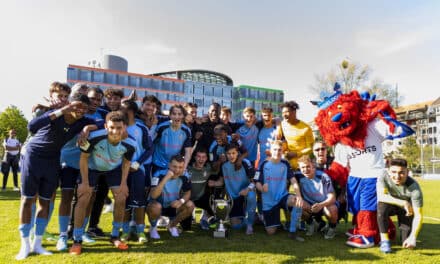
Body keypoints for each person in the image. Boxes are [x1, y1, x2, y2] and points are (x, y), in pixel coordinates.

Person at [16, 94, 93, 260]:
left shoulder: (82, 121)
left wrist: (87, 129)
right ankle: (25, 244)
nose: (80, 111)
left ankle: (37, 243)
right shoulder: (54, 114)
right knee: (27, 200)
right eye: (77, 106)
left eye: (83, 108)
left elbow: (102, 122)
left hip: (53, 161)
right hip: (33, 157)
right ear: (69, 104)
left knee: (45, 201)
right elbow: (32, 125)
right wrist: (61, 110)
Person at [69, 111, 136, 255]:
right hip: (92, 168)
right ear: (105, 126)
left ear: (124, 127)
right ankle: (77, 239)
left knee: (121, 197)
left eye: (119, 128)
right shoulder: (94, 138)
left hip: (113, 169)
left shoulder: (131, 143)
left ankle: (114, 236)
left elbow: (126, 163)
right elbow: (83, 158)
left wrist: (124, 183)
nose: (115, 131)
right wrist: (85, 183)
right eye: (112, 127)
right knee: (83, 197)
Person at [255, 140, 304, 241]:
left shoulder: (285, 163)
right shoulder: (264, 164)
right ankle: (272, 221)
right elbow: (257, 182)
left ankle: (292, 231)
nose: (277, 152)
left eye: (279, 150)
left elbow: (293, 180)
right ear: (270, 151)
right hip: (269, 201)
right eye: (275, 149)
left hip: (282, 196)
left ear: (282, 151)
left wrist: (298, 195)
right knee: (271, 232)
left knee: (296, 202)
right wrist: (262, 188)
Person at [120, 100, 153, 243]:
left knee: (139, 202)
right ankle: (125, 231)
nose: (121, 112)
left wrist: (138, 163)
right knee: (124, 201)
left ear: (132, 112)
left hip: (138, 169)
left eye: (124, 110)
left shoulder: (141, 127)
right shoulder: (118, 126)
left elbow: (149, 148)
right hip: (121, 170)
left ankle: (140, 232)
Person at [376, 158, 423, 253]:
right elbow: (381, 196)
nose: (397, 176)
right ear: (388, 171)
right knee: (381, 206)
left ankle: (406, 235)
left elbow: (418, 215)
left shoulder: (415, 189)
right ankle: (385, 240)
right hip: (391, 204)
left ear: (407, 172)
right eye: (393, 172)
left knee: (406, 241)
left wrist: (413, 237)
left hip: (406, 210)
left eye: (401, 172)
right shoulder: (383, 175)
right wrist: (403, 202)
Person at [147, 155, 195, 239]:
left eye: (180, 167)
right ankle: (153, 227)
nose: (177, 170)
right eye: (174, 166)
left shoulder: (185, 175)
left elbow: (188, 192)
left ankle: (172, 226)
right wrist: (166, 178)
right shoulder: (159, 173)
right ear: (169, 165)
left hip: (173, 205)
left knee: (190, 205)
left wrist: (181, 201)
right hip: (158, 205)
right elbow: (153, 195)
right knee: (155, 207)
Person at [294, 156, 338, 239]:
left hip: (324, 204)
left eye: (308, 166)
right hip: (309, 204)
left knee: (332, 209)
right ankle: (311, 224)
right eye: (303, 167)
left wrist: (321, 205)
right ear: (299, 168)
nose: (305, 169)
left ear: (313, 166)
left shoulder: (323, 176)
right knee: (297, 204)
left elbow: (332, 197)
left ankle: (332, 228)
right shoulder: (298, 175)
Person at [218, 143, 256, 235]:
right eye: (229, 154)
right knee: (235, 226)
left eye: (233, 153)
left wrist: (247, 189)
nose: (231, 156)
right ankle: (249, 218)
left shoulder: (245, 163)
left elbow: (254, 182)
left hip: (245, 193)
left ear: (238, 153)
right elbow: (221, 182)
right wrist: (213, 183)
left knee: (251, 196)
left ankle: (250, 225)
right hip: (234, 197)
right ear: (225, 154)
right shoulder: (224, 166)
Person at [182, 148, 217, 230]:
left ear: (206, 158)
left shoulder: (208, 168)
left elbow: (218, 172)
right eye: (199, 156)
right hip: (187, 199)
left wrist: (216, 183)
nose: (201, 159)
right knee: (186, 228)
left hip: (200, 198)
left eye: (203, 157)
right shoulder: (187, 168)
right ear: (194, 157)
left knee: (209, 199)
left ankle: (206, 219)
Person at [312, 141, 347, 223]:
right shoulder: (310, 165)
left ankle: (333, 224)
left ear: (326, 150)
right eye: (317, 150)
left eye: (322, 149)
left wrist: (343, 194)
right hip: (316, 196)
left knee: (336, 208)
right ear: (313, 152)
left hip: (335, 195)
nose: (320, 151)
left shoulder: (335, 163)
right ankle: (318, 222)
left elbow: (345, 179)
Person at [152, 104, 192, 172]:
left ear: (183, 116)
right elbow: (151, 142)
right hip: (159, 164)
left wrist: (184, 167)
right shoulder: (161, 127)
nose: (177, 116)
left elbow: (188, 151)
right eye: (174, 114)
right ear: (170, 116)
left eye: (179, 114)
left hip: (175, 166)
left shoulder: (186, 130)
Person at [276, 101, 314, 170]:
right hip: (286, 166)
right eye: (283, 113)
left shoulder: (306, 128)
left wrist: (296, 154)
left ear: (294, 112)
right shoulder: (282, 125)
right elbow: (280, 141)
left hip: (302, 167)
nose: (284, 115)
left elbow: (311, 149)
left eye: (286, 112)